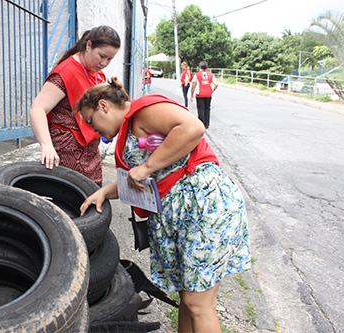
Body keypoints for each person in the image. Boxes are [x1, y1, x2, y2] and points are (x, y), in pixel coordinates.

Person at [77, 77, 251, 333]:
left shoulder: (143, 111)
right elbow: (146, 180)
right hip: (185, 214)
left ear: (104, 106)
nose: (93, 130)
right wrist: (105, 192)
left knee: (198, 304)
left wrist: (146, 167)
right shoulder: (129, 128)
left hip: (201, 207)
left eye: (90, 121)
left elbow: (193, 128)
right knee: (188, 299)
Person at [29, 25, 120, 186]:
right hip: (66, 153)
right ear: (89, 45)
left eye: (110, 59)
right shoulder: (66, 71)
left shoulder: (98, 74)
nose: (104, 63)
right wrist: (46, 145)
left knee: (92, 198)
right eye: (102, 56)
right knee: (69, 198)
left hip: (90, 154)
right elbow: (37, 109)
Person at [191, 60, 218, 129]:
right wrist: (212, 90)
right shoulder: (211, 75)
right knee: (207, 108)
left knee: (200, 109)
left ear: (200, 67)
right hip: (208, 94)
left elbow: (193, 85)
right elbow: (216, 84)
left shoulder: (197, 74)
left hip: (200, 94)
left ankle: (201, 123)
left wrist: (192, 94)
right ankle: (207, 124)